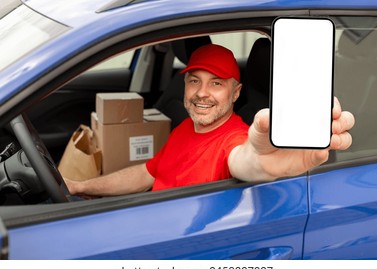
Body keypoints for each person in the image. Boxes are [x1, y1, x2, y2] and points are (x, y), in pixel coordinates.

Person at [65, 44, 355, 197]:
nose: (201, 93)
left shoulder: (234, 138)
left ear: (236, 92)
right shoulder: (185, 126)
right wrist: (81, 187)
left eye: (216, 84)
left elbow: (245, 160)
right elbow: (148, 174)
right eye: (194, 81)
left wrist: (262, 164)